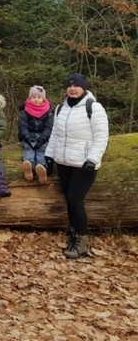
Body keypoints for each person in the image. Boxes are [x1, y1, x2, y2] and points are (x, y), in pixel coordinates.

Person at [45, 73, 109, 259]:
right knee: (69, 200)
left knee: (75, 199)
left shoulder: (94, 108)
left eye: (77, 86)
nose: (73, 89)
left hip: (84, 164)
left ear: (84, 88)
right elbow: (55, 135)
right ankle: (72, 235)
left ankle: (80, 242)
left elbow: (101, 136)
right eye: (70, 86)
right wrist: (49, 156)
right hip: (64, 162)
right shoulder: (60, 109)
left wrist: (93, 159)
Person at [18, 85, 53, 184]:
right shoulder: (24, 111)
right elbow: (22, 126)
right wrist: (27, 138)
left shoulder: (48, 113)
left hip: (43, 138)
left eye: (39, 97)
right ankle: (28, 166)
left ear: (43, 99)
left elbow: (48, 128)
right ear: (30, 98)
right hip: (29, 137)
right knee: (28, 149)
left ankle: (41, 168)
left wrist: (42, 139)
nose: (36, 100)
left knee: (42, 150)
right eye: (33, 97)